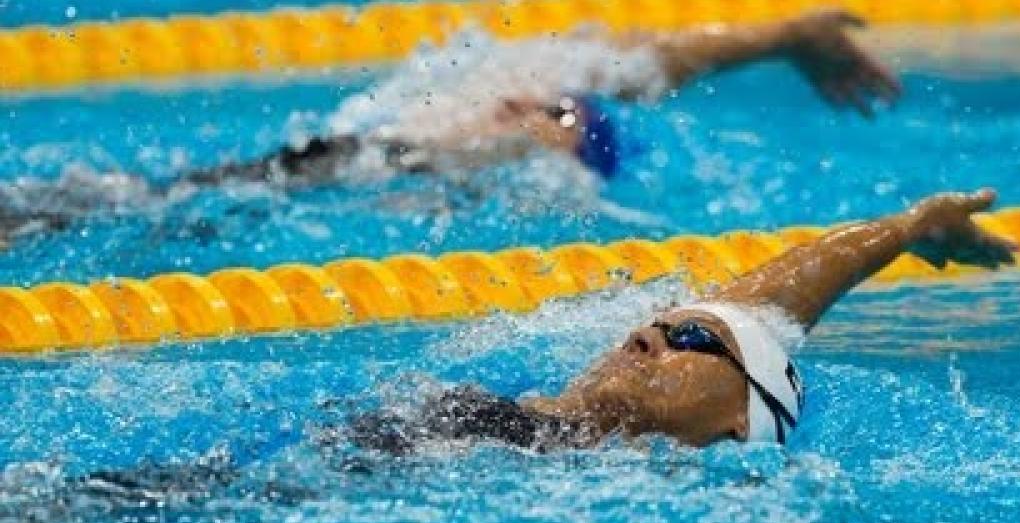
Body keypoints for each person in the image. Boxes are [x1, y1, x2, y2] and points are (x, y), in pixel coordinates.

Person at [0, 10, 898, 243]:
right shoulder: (505, 121)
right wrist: (783, 36)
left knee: (102, 207)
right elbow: (644, 68)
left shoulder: (468, 152)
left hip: (284, 181)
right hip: (299, 179)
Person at [351, 188, 1017, 451]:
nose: (645, 334)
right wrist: (906, 227)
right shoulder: (521, 427)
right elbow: (763, 304)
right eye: (659, 324)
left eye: (691, 338)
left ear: (739, 416)